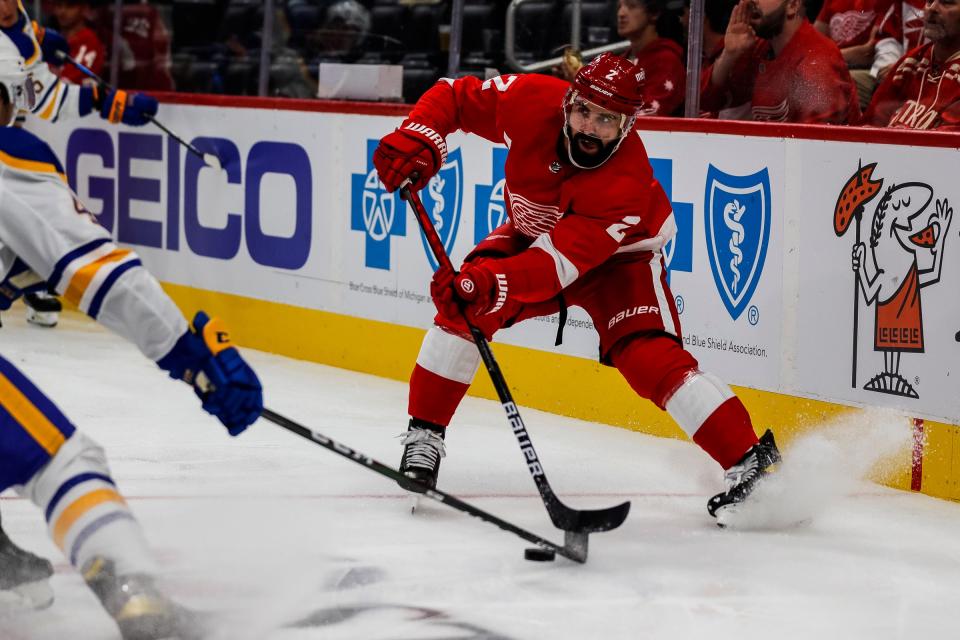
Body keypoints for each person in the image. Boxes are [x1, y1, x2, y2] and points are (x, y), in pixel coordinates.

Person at [372, 53, 782, 522]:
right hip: (532, 235)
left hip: (619, 261)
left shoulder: (624, 182)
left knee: (649, 359)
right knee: (462, 313)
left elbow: (553, 268)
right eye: (583, 110)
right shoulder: (530, 100)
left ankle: (754, 464)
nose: (589, 127)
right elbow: (453, 96)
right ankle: (425, 438)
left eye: (607, 120)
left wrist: (487, 281)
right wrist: (420, 136)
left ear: (628, 126)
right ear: (567, 100)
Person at [0, 39, 262, 637]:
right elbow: (100, 272)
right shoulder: (12, 157)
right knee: (62, 461)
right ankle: (140, 602)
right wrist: (192, 356)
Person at [0, 0, 158, 329]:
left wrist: (37, 37)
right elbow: (38, 98)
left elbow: (33, 98)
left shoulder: (17, 19)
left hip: (10, 137)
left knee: (31, 225)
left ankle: (16, 279)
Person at [700, 0, 861, 123]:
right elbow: (704, 101)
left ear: (792, 5)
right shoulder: (760, 46)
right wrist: (729, 55)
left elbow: (817, 150)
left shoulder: (817, 63)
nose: (749, 2)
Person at [862, 0, 960, 129]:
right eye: (929, 1)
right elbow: (871, 122)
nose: (932, 8)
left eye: (947, 2)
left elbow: (949, 144)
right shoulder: (911, 61)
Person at [617, 0, 686, 115]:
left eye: (631, 6)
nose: (621, 13)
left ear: (654, 14)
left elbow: (648, 113)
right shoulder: (622, 59)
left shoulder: (666, 61)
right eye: (619, 7)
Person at [813, 0, 881, 107]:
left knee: (829, 82)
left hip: (866, 68)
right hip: (833, 65)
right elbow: (813, 42)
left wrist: (826, 58)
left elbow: (870, 51)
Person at [50, 0, 106, 85]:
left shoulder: (90, 41)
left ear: (84, 9)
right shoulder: (51, 39)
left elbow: (68, 82)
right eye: (59, 5)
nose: (62, 11)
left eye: (70, 6)